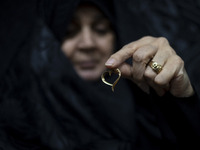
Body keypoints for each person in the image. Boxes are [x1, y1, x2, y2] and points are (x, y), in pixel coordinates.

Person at [0, 0, 200, 150]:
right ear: (47, 43)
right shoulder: (19, 124)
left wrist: (180, 100)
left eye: (101, 29)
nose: (87, 44)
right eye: (69, 32)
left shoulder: (150, 114)